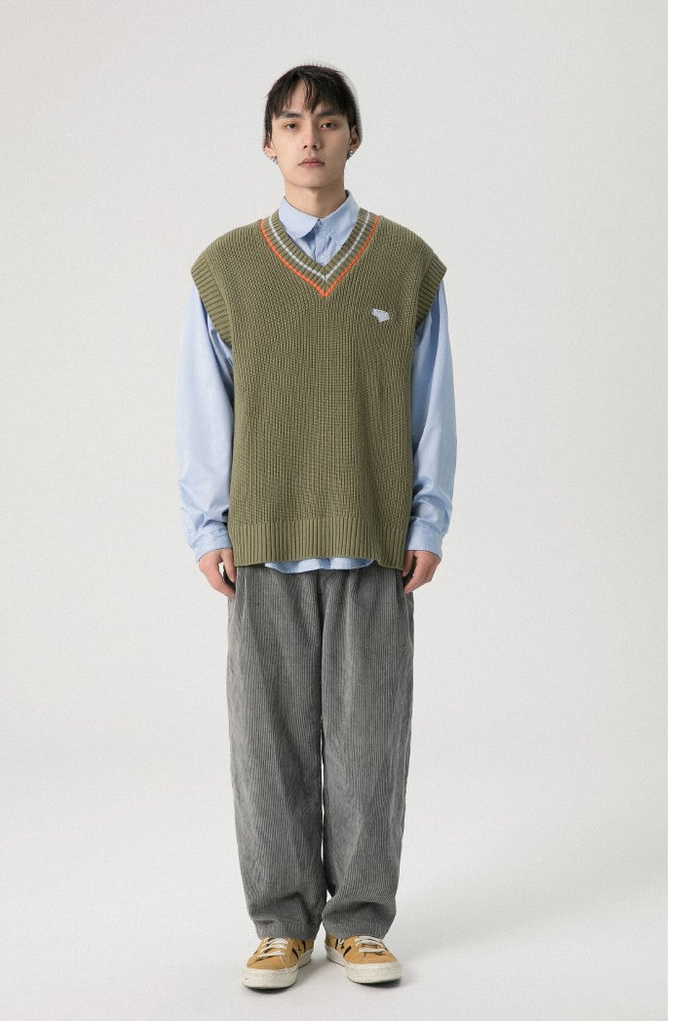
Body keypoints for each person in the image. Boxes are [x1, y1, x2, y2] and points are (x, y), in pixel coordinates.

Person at [176, 63, 457, 990]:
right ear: (268, 143)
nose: (310, 138)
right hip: (264, 540)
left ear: (352, 139)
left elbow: (432, 403)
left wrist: (428, 517)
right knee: (268, 747)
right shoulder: (226, 268)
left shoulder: (406, 263)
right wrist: (207, 525)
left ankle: (360, 922)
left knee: (371, 740)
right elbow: (203, 405)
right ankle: (281, 925)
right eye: (292, 123)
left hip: (375, 538)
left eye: (328, 122)